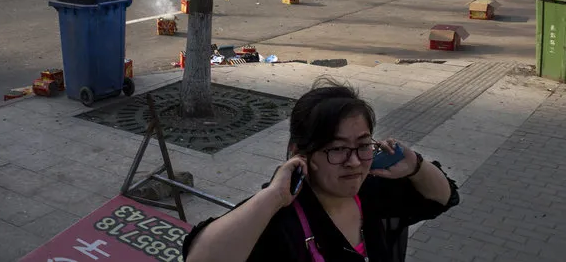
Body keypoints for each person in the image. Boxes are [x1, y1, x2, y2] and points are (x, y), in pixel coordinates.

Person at [183, 80, 459, 262]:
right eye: (337, 149)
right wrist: (273, 195)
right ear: (300, 152)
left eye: (363, 145)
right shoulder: (281, 218)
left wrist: (415, 166)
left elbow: (443, 198)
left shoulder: (372, 190)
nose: (353, 162)